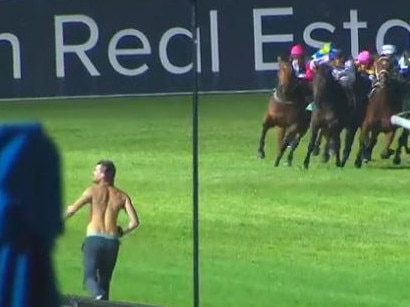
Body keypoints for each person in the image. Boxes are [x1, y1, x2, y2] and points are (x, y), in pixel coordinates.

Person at [65, 160, 140, 301]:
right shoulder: (122, 196)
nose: (93, 173)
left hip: (94, 239)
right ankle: (102, 299)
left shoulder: (92, 191)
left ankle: (98, 296)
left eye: (96, 170)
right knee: (105, 281)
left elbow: (72, 209)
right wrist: (121, 232)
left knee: (89, 279)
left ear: (104, 174)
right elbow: (134, 222)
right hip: (112, 242)